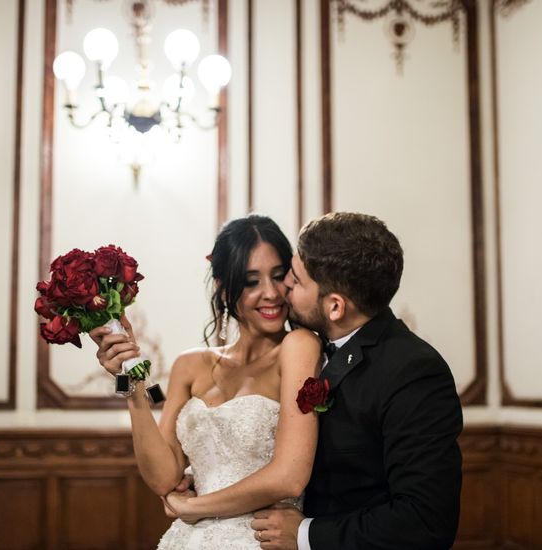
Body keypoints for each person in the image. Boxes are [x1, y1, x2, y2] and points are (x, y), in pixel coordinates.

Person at [90, 214, 322, 549]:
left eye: (277, 277)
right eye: (251, 281)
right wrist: (131, 382)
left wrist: (192, 506)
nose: (271, 293)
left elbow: (289, 478)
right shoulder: (190, 364)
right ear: (224, 287)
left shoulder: (298, 348)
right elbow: (164, 477)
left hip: (259, 540)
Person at [250, 212, 462, 550]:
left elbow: (425, 521)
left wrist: (306, 535)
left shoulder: (413, 372)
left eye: (298, 281)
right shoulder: (304, 348)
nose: (284, 284)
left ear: (335, 307)